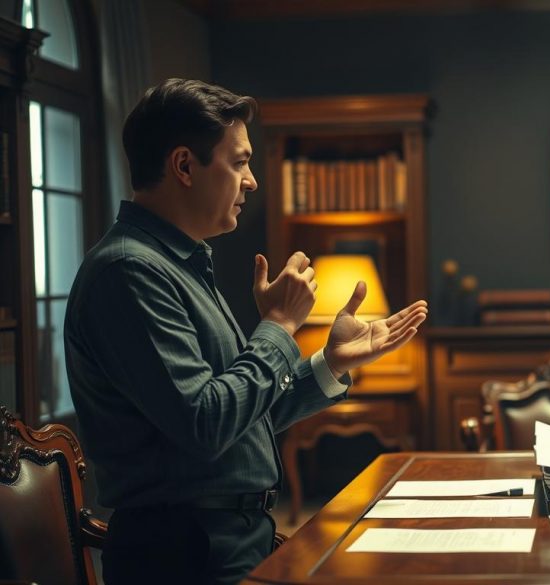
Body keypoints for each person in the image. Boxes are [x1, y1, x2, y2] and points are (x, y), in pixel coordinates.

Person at [65, 78, 428, 584]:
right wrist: (278, 325)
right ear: (185, 166)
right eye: (239, 162)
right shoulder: (128, 272)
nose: (252, 181)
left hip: (227, 540)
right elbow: (205, 424)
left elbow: (244, 417)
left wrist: (332, 363)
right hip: (184, 555)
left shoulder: (181, 263)